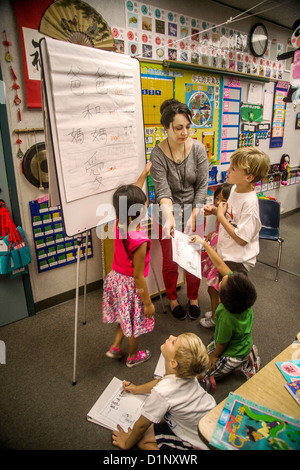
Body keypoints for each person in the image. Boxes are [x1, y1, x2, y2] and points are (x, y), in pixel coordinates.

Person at [150, 98, 209, 320]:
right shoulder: (157, 155)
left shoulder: (198, 149)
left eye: (187, 126)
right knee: (171, 260)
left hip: (195, 210)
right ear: (166, 128)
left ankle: (193, 298)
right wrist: (169, 218)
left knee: (193, 257)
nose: (184, 132)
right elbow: (163, 192)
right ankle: (173, 299)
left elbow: (202, 185)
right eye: (178, 128)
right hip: (167, 215)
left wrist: (194, 214)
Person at [111, 332, 216, 450]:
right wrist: (136, 389)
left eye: (174, 342)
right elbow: (161, 381)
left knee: (142, 442)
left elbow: (141, 425)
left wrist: (126, 443)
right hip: (207, 421)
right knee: (156, 423)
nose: (171, 336)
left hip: (197, 439)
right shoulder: (188, 373)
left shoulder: (162, 392)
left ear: (173, 363)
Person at [102, 162, 155, 368]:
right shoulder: (139, 240)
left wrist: (143, 174)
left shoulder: (119, 221)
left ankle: (116, 346)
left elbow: (131, 197)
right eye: (145, 202)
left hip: (115, 278)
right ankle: (133, 356)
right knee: (135, 324)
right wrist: (148, 302)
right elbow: (138, 277)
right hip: (131, 286)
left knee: (125, 315)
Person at [190, 235, 260, 381]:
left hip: (232, 354)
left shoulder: (223, 314)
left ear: (221, 299)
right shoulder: (243, 299)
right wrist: (203, 243)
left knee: (202, 374)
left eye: (223, 282)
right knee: (203, 353)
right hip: (243, 340)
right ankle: (249, 352)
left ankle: (244, 363)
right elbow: (220, 264)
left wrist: (214, 356)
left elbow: (222, 343)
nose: (225, 277)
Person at [203, 147, 270, 279]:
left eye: (233, 169)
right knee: (222, 291)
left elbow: (241, 239)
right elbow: (232, 218)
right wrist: (215, 211)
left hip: (238, 261)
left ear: (249, 177)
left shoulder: (250, 203)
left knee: (231, 297)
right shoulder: (234, 189)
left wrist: (220, 217)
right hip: (227, 253)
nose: (227, 171)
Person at [200, 183, 232, 328]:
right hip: (216, 255)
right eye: (216, 198)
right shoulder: (222, 214)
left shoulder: (228, 216)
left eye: (223, 200)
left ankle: (215, 318)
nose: (218, 203)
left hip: (220, 257)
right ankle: (215, 313)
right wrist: (215, 233)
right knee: (212, 289)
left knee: (213, 289)